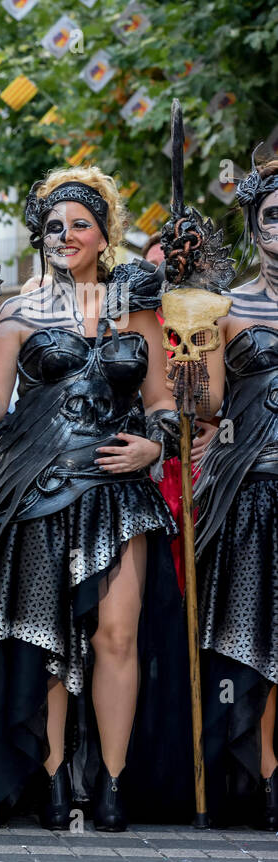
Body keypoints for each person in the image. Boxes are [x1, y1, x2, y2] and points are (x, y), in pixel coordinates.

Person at [0, 166, 192, 831]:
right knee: (48, 641)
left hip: (120, 494)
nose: (63, 235)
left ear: (103, 235)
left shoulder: (136, 308)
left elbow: (161, 401)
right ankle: (55, 777)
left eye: (79, 225)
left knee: (117, 634)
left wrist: (155, 447)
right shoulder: (19, 312)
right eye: (53, 226)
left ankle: (114, 781)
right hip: (39, 491)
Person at [196, 153, 278, 827]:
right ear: (255, 225)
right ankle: (264, 772)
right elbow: (212, 406)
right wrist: (192, 382)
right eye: (273, 215)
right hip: (250, 487)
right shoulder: (227, 308)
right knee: (251, 639)